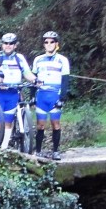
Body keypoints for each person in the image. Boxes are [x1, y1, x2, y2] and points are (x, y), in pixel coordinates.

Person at [0, 33, 38, 146]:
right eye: (6, 43)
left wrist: (35, 80)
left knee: (8, 122)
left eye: (11, 43)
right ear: (2, 44)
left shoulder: (19, 58)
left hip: (13, 93)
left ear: (15, 45)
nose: (8, 46)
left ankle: (3, 149)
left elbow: (27, 73)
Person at [31, 31, 71, 160]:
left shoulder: (62, 60)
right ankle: (38, 151)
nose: (49, 44)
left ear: (56, 44)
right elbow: (33, 79)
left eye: (51, 42)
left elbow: (65, 81)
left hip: (55, 96)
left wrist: (62, 98)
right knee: (40, 125)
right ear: (43, 44)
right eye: (46, 42)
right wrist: (32, 96)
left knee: (56, 124)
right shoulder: (38, 59)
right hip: (41, 96)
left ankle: (55, 151)